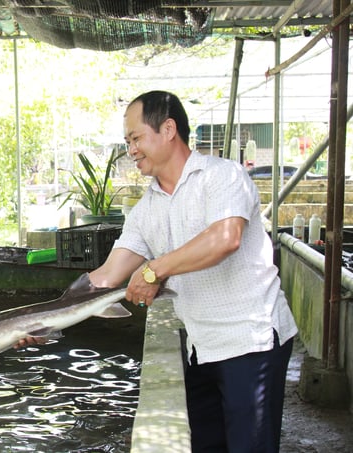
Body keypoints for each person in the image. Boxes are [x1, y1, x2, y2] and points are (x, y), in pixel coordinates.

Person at [89, 90, 298, 452]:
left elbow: (224, 239)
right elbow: (106, 277)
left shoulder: (222, 176)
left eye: (136, 138)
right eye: (127, 141)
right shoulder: (145, 209)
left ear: (168, 129)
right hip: (200, 347)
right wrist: (33, 323)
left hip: (251, 341)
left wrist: (155, 270)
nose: (131, 150)